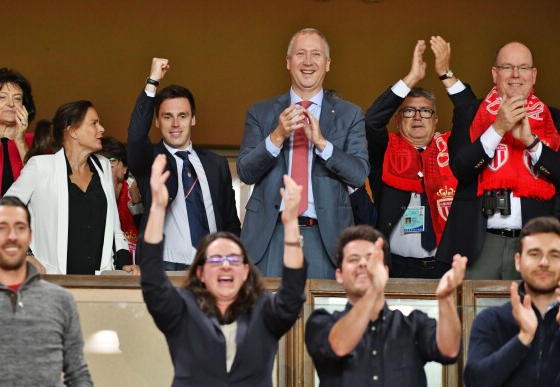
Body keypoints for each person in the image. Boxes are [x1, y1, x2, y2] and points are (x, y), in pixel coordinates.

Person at [139, 154, 307, 386]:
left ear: (246, 271)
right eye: (216, 259)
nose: (226, 264)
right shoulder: (182, 311)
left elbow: (293, 292)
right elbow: (152, 279)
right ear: (200, 273)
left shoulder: (264, 311)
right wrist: (158, 209)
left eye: (233, 259)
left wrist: (290, 226)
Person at [238, 28, 369, 279]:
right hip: (270, 236)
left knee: (322, 317)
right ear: (288, 62)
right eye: (300, 54)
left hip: (326, 238)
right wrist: (276, 136)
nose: (308, 62)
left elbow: (358, 174)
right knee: (268, 315)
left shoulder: (350, 114)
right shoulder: (261, 112)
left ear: (327, 64)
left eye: (316, 54)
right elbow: (245, 171)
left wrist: (322, 143)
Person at [440, 41, 560, 279]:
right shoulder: (470, 112)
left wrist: (531, 142)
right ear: (495, 73)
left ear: (534, 74)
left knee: (531, 315)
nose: (516, 75)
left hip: (534, 242)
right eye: (508, 67)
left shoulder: (557, 120)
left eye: (523, 68)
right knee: (473, 315)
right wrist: (497, 128)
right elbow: (460, 168)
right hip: (481, 242)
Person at [364, 37, 475, 278]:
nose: (417, 117)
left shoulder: (452, 150)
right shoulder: (384, 151)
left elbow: (474, 119)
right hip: (394, 267)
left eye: (425, 111)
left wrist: (446, 74)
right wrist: (411, 78)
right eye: (408, 111)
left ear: (436, 120)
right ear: (397, 119)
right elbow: (372, 122)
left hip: (445, 265)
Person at [305, 225, 467, 386]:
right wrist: (373, 290)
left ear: (386, 271)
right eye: (354, 259)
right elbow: (339, 347)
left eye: (370, 258)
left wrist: (446, 298)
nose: (363, 264)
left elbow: (450, 351)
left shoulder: (414, 323)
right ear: (339, 275)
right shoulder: (321, 322)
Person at [128, 58, 241, 271]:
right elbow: (135, 137)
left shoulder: (216, 164)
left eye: (182, 116)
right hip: (165, 268)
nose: (175, 124)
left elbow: (230, 223)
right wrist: (152, 81)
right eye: (167, 117)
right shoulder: (151, 160)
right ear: (158, 122)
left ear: (193, 119)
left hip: (214, 268)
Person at [6, 100, 138, 275]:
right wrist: (26, 254)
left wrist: (125, 264)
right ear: (73, 131)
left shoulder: (104, 166)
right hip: (53, 279)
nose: (102, 129)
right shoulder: (40, 166)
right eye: (94, 123)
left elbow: (115, 229)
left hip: (100, 282)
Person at [0, 196, 92, 386]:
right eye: (1, 228)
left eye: (20, 228)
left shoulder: (60, 300)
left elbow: (77, 374)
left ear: (30, 236)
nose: (12, 236)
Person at [464, 216, 560, 387]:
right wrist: (523, 338)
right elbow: (475, 381)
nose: (544, 262)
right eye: (534, 254)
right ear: (518, 261)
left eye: (554, 255)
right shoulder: (491, 320)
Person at [0, 68, 36, 203]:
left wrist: (21, 143)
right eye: (2, 97)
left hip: (24, 220)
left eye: (17, 98)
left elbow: (42, 189)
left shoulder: (36, 142)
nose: (11, 104)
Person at [99, 136, 143, 259]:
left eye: (112, 160)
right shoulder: (91, 195)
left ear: (125, 168)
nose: (107, 165)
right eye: (101, 160)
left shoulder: (136, 194)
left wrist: (136, 199)